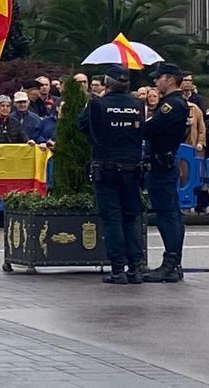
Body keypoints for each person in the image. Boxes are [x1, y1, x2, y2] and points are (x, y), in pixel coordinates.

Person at [78, 65, 146, 284]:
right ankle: (135, 267)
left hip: (106, 167)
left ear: (106, 84)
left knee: (112, 219)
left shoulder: (97, 103)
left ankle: (118, 269)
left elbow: (82, 125)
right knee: (131, 217)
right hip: (132, 167)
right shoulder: (138, 104)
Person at [142, 63, 192, 283]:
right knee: (167, 214)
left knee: (167, 215)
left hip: (162, 165)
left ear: (170, 79)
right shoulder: (172, 103)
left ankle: (171, 264)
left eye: (159, 78)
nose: (155, 82)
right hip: (162, 163)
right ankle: (172, 263)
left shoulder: (172, 105)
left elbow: (149, 129)